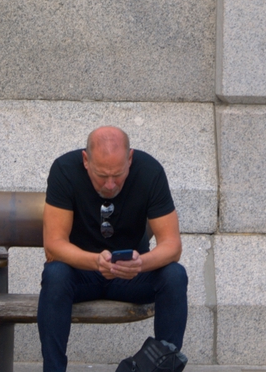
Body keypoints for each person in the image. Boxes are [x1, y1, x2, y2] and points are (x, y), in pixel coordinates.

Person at [37, 126, 187, 372]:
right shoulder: (64, 170)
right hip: (82, 273)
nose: (109, 185)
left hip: (132, 275)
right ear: (86, 160)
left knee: (175, 275)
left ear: (130, 158)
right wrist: (96, 262)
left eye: (117, 175)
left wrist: (141, 264)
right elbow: (53, 246)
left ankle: (162, 366)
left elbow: (172, 246)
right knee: (55, 274)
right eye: (101, 175)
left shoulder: (150, 172)